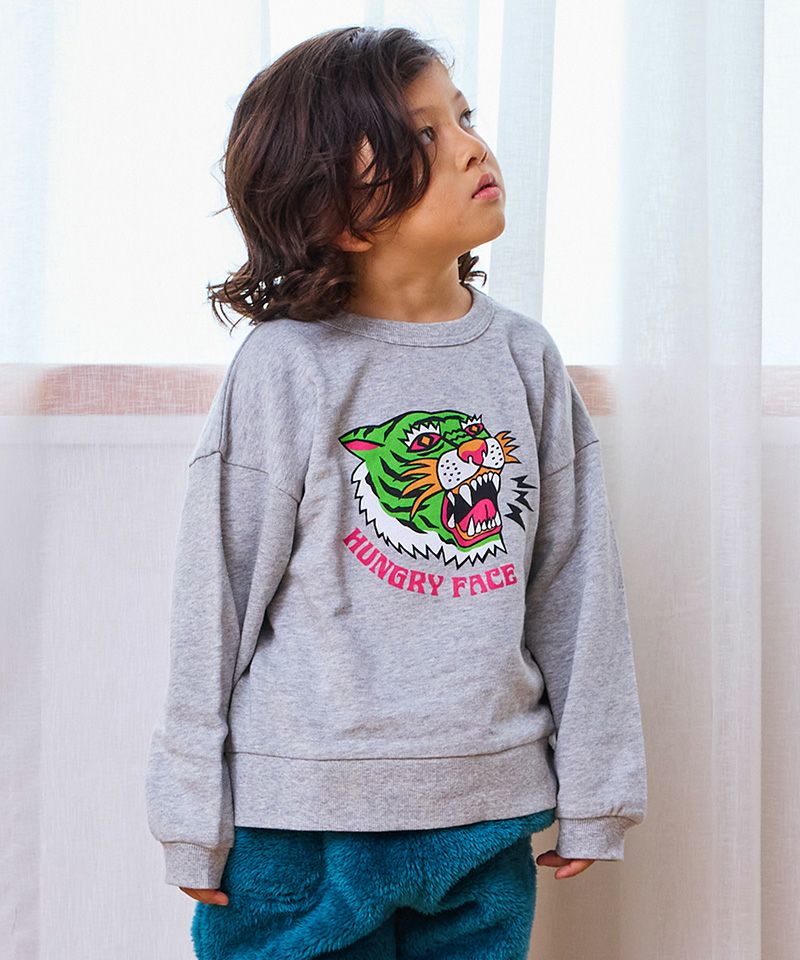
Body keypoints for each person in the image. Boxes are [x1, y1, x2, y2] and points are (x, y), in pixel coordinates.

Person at [145, 24, 647, 960]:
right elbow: (215, 593)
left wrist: (598, 788)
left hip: (485, 815)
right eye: (422, 134)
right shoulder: (287, 367)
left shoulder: (523, 358)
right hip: (300, 821)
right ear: (339, 211)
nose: (471, 146)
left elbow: (577, 585)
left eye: (462, 116)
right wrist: (188, 808)